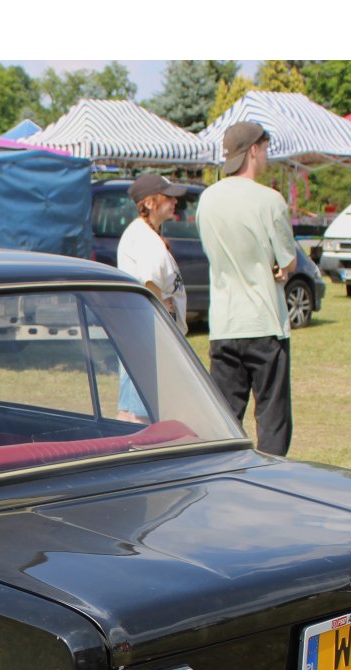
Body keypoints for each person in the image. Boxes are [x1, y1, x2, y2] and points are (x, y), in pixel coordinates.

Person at [197, 121, 298, 457]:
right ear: (254, 149)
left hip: (224, 322)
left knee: (223, 422)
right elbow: (288, 261)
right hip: (264, 320)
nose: (267, 156)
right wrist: (280, 269)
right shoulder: (270, 200)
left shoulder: (207, 199)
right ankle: (271, 489)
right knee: (272, 419)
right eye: (266, 149)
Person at [115, 173, 187, 421]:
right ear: (149, 202)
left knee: (132, 410)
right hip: (146, 333)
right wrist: (162, 308)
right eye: (168, 198)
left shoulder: (145, 234)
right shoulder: (144, 238)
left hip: (140, 332)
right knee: (140, 416)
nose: (174, 202)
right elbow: (149, 281)